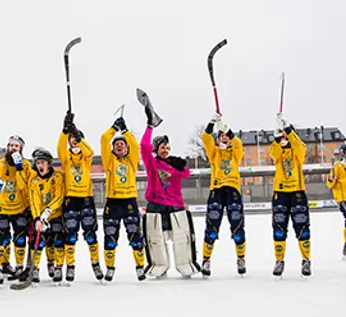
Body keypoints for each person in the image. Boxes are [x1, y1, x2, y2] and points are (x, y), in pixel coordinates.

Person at [140, 109, 198, 278]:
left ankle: (185, 265)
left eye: (167, 147)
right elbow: (144, 146)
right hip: (156, 205)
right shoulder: (151, 163)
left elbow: (186, 174)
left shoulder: (173, 165)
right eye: (162, 147)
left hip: (175, 206)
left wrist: (180, 165)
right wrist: (150, 127)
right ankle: (159, 266)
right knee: (156, 238)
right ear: (156, 149)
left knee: (181, 239)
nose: (165, 150)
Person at [57, 113, 103, 282]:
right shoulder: (66, 158)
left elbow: (90, 150)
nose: (74, 142)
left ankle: (96, 263)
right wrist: (65, 130)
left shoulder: (86, 159)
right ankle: (70, 266)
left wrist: (78, 136)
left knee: (90, 233)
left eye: (77, 139)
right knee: (70, 234)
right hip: (70, 199)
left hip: (86, 198)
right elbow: (60, 147)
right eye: (72, 140)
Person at [100, 116, 146, 281]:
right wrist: (114, 128)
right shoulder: (109, 162)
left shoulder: (132, 161)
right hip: (112, 203)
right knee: (110, 238)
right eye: (116, 144)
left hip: (129, 202)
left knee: (135, 237)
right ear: (112, 149)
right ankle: (110, 268)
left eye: (122, 144)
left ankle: (140, 267)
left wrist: (125, 131)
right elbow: (105, 139)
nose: (119, 145)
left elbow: (135, 145)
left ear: (127, 148)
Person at [200, 113, 246, 277]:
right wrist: (212, 123)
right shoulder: (214, 152)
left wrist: (226, 128)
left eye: (226, 136)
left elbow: (238, 143)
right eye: (221, 136)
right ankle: (206, 260)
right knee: (212, 227)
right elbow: (205, 137)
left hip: (233, 191)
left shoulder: (236, 153)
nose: (224, 138)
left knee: (237, 226)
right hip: (217, 191)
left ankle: (241, 258)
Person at [269, 113, 311, 277]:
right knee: (279, 229)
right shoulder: (277, 150)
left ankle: (306, 260)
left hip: (297, 192)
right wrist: (278, 137)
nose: (285, 136)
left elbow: (300, 146)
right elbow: (273, 152)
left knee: (302, 228)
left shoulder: (298, 152)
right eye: (282, 134)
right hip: (280, 193)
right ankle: (279, 260)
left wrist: (287, 128)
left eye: (286, 133)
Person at [0, 135, 34, 286]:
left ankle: (19, 267)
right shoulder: (0, 164)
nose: (13, 148)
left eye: (16, 146)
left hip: (20, 209)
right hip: (3, 208)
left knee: (20, 239)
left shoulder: (27, 165)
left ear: (21, 149)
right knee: (1, 239)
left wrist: (19, 168)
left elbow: (25, 186)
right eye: (10, 146)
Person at [26, 148, 66, 284]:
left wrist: (48, 211)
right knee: (38, 242)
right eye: (38, 163)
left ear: (49, 163)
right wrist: (37, 218)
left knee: (57, 241)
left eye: (43, 162)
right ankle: (35, 268)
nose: (40, 165)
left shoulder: (58, 177)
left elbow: (59, 196)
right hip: (41, 218)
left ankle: (57, 266)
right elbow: (34, 201)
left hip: (55, 215)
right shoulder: (34, 181)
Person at [326, 141, 346, 259]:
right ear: (343, 153)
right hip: (344, 198)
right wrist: (331, 179)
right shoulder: (338, 166)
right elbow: (330, 183)